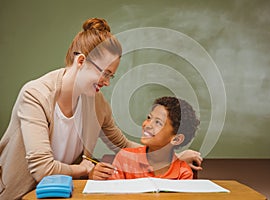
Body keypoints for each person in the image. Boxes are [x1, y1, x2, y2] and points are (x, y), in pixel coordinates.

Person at [0, 18, 202, 199]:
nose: (106, 82)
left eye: (110, 76)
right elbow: (42, 169)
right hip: (18, 193)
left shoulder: (97, 103)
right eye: (104, 73)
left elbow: (123, 145)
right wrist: (83, 170)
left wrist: (170, 157)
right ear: (81, 61)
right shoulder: (35, 95)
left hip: (63, 194)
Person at [107, 96, 200, 180]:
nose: (147, 125)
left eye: (158, 122)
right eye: (149, 118)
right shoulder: (125, 158)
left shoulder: (183, 173)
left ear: (176, 139)